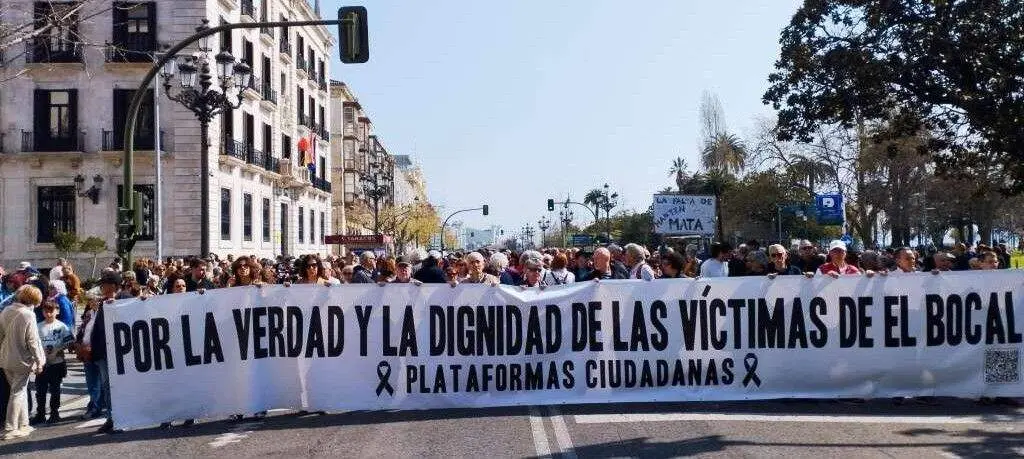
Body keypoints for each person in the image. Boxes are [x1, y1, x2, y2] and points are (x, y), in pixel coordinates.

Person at [0, 285, 46, 440]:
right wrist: (39, 361)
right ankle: (11, 427)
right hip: (22, 360)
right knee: (18, 393)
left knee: (19, 391)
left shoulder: (6, 310)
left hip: (5, 358)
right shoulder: (28, 315)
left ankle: (23, 424)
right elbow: (32, 341)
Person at [32, 302, 73, 425]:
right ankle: (40, 414)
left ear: (57, 311)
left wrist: (58, 349)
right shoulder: (38, 326)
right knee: (40, 390)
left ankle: (54, 412)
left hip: (57, 363)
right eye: (46, 311)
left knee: (55, 389)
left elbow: (70, 341)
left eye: (51, 311)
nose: (49, 314)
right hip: (42, 363)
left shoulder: (62, 326)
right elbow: (33, 342)